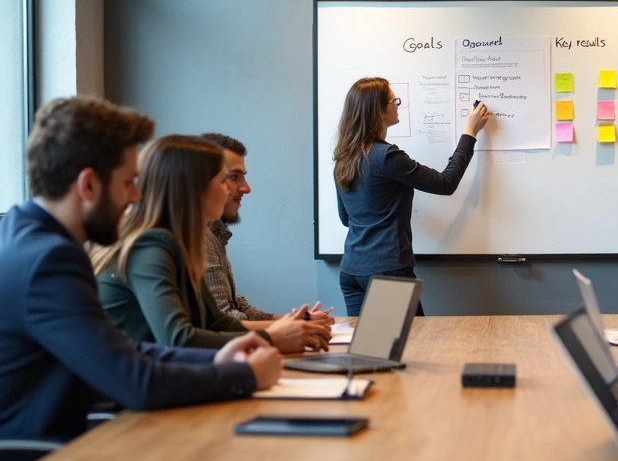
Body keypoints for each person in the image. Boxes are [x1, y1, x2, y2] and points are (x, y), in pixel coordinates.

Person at [0, 97, 283, 461]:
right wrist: (244, 376)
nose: (137, 197)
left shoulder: (25, 237)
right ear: (88, 184)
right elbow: (133, 381)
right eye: (128, 182)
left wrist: (215, 358)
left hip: (47, 458)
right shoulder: (47, 261)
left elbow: (123, 351)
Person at [94, 135, 332, 352]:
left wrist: (284, 329)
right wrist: (271, 339)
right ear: (193, 190)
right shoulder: (150, 245)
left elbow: (216, 321)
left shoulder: (178, 242)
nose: (234, 189)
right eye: (223, 180)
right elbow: (178, 339)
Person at [333, 77, 490, 316]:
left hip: (352, 270)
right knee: (409, 344)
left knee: (369, 348)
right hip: (387, 271)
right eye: (394, 101)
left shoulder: (343, 158)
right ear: (379, 110)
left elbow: (346, 218)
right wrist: (470, 131)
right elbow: (446, 183)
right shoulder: (386, 156)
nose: (398, 105)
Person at [200, 132, 334, 325]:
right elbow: (225, 321)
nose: (246, 188)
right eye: (233, 177)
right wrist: (293, 326)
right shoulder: (200, 237)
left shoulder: (213, 232)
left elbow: (237, 306)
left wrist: (299, 321)